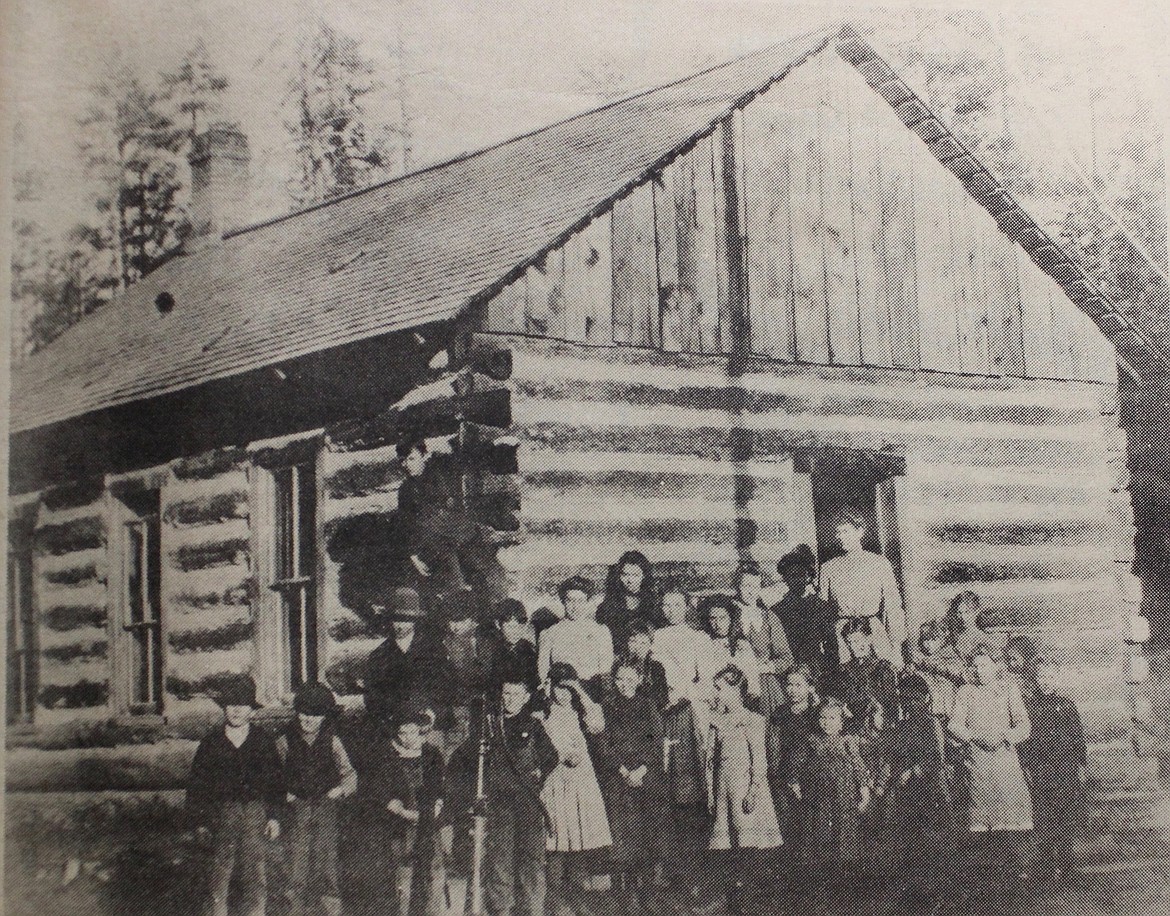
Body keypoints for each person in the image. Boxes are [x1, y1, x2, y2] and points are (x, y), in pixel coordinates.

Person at [186, 674, 282, 916]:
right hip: (222, 814)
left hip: (254, 812)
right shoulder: (211, 743)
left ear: (252, 709)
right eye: (231, 704)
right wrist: (200, 821)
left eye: (243, 704)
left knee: (255, 873)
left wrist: (274, 816)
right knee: (219, 874)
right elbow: (198, 786)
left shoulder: (263, 741)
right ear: (224, 708)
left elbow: (275, 783)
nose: (237, 710)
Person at [472, 669, 559, 916]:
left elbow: (551, 756)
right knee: (500, 862)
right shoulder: (489, 726)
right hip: (500, 804)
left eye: (515, 694)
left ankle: (533, 911)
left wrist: (539, 774)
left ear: (525, 697)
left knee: (531, 861)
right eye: (506, 694)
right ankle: (501, 911)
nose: (509, 699)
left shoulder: (533, 725)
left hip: (528, 803)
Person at [948, 645, 1034, 884]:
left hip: (1005, 760)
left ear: (996, 666)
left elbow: (1023, 725)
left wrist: (1007, 735)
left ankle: (1017, 870)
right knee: (983, 820)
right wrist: (975, 736)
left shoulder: (1008, 689)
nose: (980, 670)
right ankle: (987, 874)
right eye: (975, 666)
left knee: (1010, 815)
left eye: (984, 664)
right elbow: (954, 725)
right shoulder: (965, 692)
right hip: (978, 763)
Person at [276, 682, 356, 916]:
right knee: (295, 865)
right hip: (297, 808)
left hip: (325, 807)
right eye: (304, 713)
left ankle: (331, 911)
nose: (309, 719)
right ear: (297, 712)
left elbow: (349, 773)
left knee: (327, 864)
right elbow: (273, 775)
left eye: (316, 715)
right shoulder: (284, 741)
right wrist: (285, 793)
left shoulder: (332, 740)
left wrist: (340, 790)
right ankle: (294, 911)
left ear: (324, 716)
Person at [707, 665, 782, 913]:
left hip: (746, 791)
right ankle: (734, 904)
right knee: (728, 848)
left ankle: (749, 902)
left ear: (736, 689)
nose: (716, 693)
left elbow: (759, 759)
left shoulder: (752, 720)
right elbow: (710, 762)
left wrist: (753, 790)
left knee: (748, 847)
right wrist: (710, 792)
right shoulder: (716, 722)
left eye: (720, 688)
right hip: (723, 790)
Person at [539, 663, 613, 916]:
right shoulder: (543, 714)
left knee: (580, 843)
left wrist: (579, 691)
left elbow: (598, 725)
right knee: (558, 844)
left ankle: (579, 904)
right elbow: (543, 745)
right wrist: (561, 754)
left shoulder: (582, 713)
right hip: (556, 781)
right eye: (559, 688)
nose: (564, 695)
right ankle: (556, 906)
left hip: (581, 781)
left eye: (568, 689)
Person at [360, 705, 447, 916]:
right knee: (404, 876)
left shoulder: (432, 754)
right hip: (399, 826)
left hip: (428, 823)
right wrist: (397, 808)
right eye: (402, 732)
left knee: (433, 875)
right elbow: (378, 789)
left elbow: (441, 787)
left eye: (411, 730)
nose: (407, 737)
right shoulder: (388, 756)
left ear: (420, 729)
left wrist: (436, 807)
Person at [599, 659, 667, 912]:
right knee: (621, 842)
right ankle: (624, 902)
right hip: (618, 781)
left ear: (639, 680)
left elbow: (656, 741)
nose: (625, 684)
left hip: (646, 780)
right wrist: (623, 770)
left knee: (647, 839)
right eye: (620, 679)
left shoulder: (648, 706)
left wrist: (641, 770)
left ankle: (648, 898)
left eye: (630, 679)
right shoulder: (607, 707)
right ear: (613, 681)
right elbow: (603, 745)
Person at [788, 698, 871, 906]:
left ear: (841, 722)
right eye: (823, 718)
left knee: (844, 834)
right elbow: (796, 763)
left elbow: (859, 766)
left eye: (832, 718)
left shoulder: (848, 741)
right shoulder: (812, 740)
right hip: (818, 796)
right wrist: (795, 783)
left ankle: (843, 882)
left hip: (843, 796)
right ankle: (820, 880)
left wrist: (864, 789)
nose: (827, 722)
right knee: (819, 831)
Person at [884, 673, 954, 910]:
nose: (909, 703)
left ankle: (937, 894)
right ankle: (917, 893)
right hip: (907, 794)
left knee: (931, 841)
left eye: (914, 699)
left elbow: (935, 757)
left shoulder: (931, 722)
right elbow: (894, 754)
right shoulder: (902, 725)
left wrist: (912, 771)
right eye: (905, 699)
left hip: (930, 790)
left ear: (925, 698)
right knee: (910, 841)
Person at [1017, 658, 1089, 883]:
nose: (1045, 681)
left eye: (1050, 677)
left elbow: (1078, 737)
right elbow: (1025, 742)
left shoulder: (1066, 704)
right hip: (1042, 771)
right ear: (1034, 679)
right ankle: (1047, 868)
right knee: (1045, 820)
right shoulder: (1030, 706)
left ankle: (1068, 868)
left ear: (1057, 678)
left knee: (1066, 819)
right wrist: (1028, 767)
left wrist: (1081, 765)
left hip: (1066, 771)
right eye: (1041, 677)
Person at [819, 512, 905, 666]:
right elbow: (823, 612)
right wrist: (826, 644)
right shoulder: (828, 568)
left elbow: (893, 606)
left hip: (873, 633)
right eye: (837, 532)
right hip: (842, 637)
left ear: (860, 532)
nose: (840, 537)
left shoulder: (879, 563)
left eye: (845, 531)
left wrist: (896, 646)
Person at [364, 587, 437, 729]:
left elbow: (444, 687)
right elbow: (372, 698)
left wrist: (432, 713)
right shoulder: (378, 656)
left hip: (430, 726)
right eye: (396, 620)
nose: (400, 625)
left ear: (416, 621)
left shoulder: (433, 651)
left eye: (406, 620)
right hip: (394, 729)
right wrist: (389, 720)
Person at [765, 664, 821, 848]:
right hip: (783, 774)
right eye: (789, 685)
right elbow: (773, 744)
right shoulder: (780, 712)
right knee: (787, 824)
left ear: (810, 687)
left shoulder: (817, 714)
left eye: (799, 685)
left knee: (811, 824)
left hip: (810, 775)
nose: (793, 690)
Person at [431, 588, 489, 757]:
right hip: (449, 708)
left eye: (460, 620)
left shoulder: (481, 641)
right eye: (451, 620)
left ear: (472, 619)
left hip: (472, 708)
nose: (454, 626)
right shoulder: (445, 642)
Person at [537, 577, 614, 700]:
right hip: (561, 697)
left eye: (580, 601)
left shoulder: (600, 631)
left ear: (588, 601)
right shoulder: (549, 633)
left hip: (591, 695)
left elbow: (605, 670)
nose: (575, 606)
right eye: (570, 600)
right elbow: (544, 673)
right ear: (563, 601)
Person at [732, 562, 793, 717]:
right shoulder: (729, 615)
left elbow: (786, 658)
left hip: (764, 685)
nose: (750, 591)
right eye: (746, 585)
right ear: (737, 586)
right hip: (734, 683)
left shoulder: (769, 618)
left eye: (755, 586)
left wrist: (766, 667)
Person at [774, 546, 838, 682]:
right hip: (788, 673)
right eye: (792, 576)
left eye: (801, 575)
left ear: (808, 576)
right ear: (785, 579)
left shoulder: (821, 607)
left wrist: (827, 673)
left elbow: (831, 648)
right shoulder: (778, 611)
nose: (797, 580)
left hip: (816, 672)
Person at [831, 617, 900, 728]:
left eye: (857, 641)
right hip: (849, 726)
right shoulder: (843, 670)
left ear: (869, 639)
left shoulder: (883, 669)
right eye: (849, 642)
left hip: (877, 728)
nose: (853, 647)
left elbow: (891, 707)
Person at [697, 594, 762, 709]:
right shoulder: (703, 642)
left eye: (722, 618)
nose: (717, 624)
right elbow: (703, 676)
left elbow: (753, 684)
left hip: (737, 703)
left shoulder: (741, 645)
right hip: (711, 703)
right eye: (713, 618)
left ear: (731, 618)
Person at [598, 551, 663, 649]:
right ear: (619, 576)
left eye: (635, 575)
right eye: (625, 574)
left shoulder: (653, 603)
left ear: (644, 576)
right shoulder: (609, 604)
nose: (630, 580)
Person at [485, 598, 539, 695]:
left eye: (518, 627)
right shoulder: (491, 650)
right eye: (510, 627)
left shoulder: (529, 652)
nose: (514, 632)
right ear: (498, 625)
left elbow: (532, 685)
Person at [623, 621, 670, 711]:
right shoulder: (620, 666)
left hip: (648, 716)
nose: (638, 647)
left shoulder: (656, 668)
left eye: (643, 643)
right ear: (627, 642)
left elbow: (662, 700)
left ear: (650, 645)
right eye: (633, 641)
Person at [944, 590, 994, 662]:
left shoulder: (982, 637)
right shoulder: (953, 635)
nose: (962, 617)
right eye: (959, 612)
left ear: (976, 612)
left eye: (967, 612)